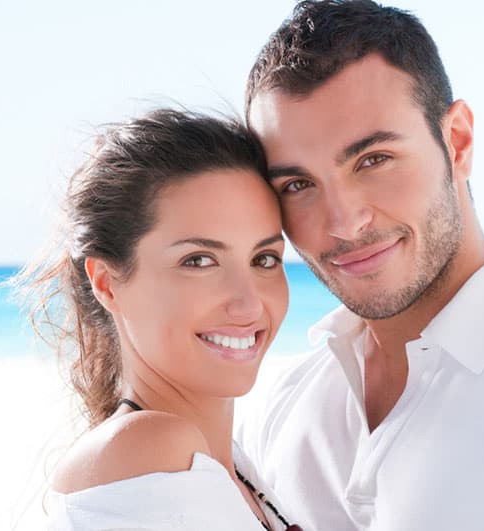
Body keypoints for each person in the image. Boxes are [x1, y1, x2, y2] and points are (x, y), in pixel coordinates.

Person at [236, 1, 484, 530]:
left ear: (458, 141)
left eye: (373, 160)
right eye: (298, 185)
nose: (343, 223)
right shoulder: (285, 405)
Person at [17, 109, 301, 530]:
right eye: (199, 260)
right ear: (108, 283)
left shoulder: (226, 467)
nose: (248, 305)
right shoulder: (150, 452)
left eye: (264, 259)